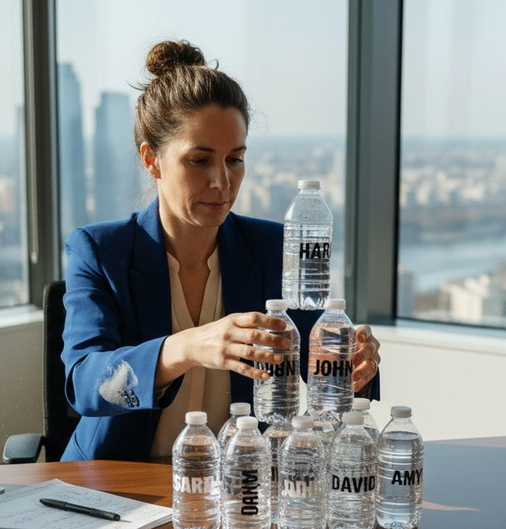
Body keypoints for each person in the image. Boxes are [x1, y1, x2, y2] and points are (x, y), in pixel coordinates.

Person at [60, 40, 381, 461]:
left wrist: (354, 364)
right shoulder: (101, 251)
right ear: (151, 160)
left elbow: (322, 367)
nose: (222, 182)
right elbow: (85, 383)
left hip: (241, 486)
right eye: (199, 160)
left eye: (235, 159)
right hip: (121, 484)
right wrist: (188, 346)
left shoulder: (270, 250)